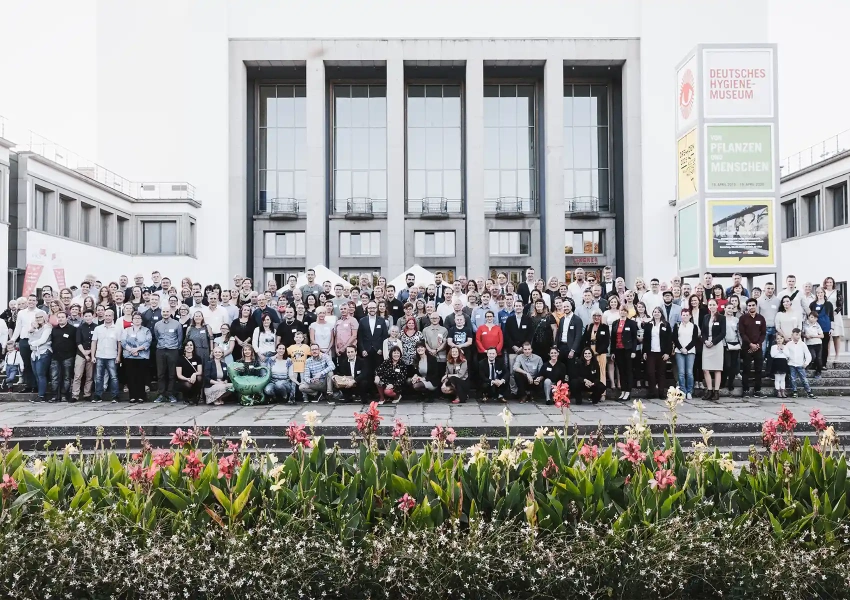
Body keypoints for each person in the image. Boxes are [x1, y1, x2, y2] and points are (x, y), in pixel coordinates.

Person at [90, 308, 122, 404]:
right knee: (99, 377)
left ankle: (115, 396)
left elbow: (119, 343)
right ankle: (98, 396)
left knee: (114, 377)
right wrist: (93, 356)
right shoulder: (98, 328)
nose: (107, 317)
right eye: (106, 315)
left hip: (112, 356)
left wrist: (118, 356)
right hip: (100, 355)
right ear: (103, 316)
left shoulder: (117, 329)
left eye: (109, 315)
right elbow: (94, 342)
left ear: (113, 317)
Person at [10, 295, 40, 393]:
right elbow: (18, 327)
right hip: (24, 340)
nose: (31, 302)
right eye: (30, 300)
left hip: (36, 340)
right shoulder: (21, 313)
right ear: (27, 301)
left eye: (33, 300)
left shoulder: (41, 312)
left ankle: (36, 386)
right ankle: (28, 385)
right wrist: (13, 339)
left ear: (36, 302)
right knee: (26, 364)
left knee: (35, 364)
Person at [120, 312, 151, 403]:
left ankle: (141, 396)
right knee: (131, 377)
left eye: (139, 318)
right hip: (129, 356)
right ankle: (132, 396)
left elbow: (148, 342)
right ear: (132, 320)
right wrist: (132, 350)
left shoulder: (146, 330)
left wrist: (137, 350)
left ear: (141, 320)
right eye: (135, 318)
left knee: (141, 377)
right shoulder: (127, 330)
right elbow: (123, 341)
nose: (137, 320)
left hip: (142, 356)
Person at [642, 306, 672, 400]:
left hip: (662, 353)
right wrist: (645, 352)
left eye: (658, 312)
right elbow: (646, 340)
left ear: (661, 313)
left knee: (661, 373)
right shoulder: (649, 324)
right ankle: (652, 392)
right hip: (651, 352)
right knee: (650, 372)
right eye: (655, 312)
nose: (656, 313)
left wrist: (668, 353)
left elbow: (669, 340)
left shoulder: (666, 325)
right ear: (652, 313)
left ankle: (661, 392)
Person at [153, 308, 183, 404]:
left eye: (167, 311)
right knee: (160, 374)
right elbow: (157, 336)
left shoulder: (176, 324)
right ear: (161, 313)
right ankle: (161, 394)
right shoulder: (157, 324)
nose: (165, 313)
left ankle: (170, 394)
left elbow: (180, 338)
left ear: (170, 313)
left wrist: (174, 347)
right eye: (164, 312)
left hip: (173, 350)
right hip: (161, 350)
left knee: (172, 373)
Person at [739, 298, 766, 399]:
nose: (751, 307)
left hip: (758, 347)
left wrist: (758, 344)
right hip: (747, 347)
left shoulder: (761, 318)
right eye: (749, 305)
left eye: (753, 305)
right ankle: (745, 390)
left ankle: (757, 390)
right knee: (746, 369)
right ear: (747, 307)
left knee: (758, 369)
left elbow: (763, 333)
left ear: (756, 306)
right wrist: (750, 344)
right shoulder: (743, 318)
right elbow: (742, 333)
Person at [609, 305, 638, 401]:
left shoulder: (632, 323)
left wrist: (634, 351)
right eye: (621, 310)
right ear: (619, 311)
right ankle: (623, 391)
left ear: (627, 312)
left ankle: (628, 391)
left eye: (625, 310)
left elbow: (634, 338)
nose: (623, 312)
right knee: (621, 371)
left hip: (628, 350)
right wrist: (612, 351)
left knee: (628, 371)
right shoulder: (615, 323)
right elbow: (613, 339)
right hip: (618, 350)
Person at [700, 299, 725, 401]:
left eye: (713, 304)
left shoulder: (722, 318)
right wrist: (705, 341)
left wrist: (713, 342)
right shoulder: (706, 317)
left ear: (717, 305)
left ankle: (716, 391)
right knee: (705, 369)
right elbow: (703, 332)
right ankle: (709, 390)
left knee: (717, 369)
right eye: (710, 305)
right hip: (706, 344)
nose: (712, 306)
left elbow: (723, 333)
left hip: (717, 344)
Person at [49, 311, 76, 403]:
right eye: (59, 317)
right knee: (54, 377)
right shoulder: (54, 329)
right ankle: (55, 396)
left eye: (62, 317)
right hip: (55, 356)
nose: (60, 319)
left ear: (66, 318)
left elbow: (75, 343)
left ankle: (64, 395)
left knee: (67, 377)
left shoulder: (72, 329)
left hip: (68, 356)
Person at [672, 308, 699, 400]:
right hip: (679, 351)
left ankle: (689, 391)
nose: (685, 316)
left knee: (689, 372)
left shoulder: (693, 326)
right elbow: (674, 338)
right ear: (681, 316)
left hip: (690, 351)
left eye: (687, 315)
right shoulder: (677, 325)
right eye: (683, 315)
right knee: (681, 372)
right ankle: (682, 391)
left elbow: (694, 339)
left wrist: (686, 348)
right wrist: (681, 348)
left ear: (690, 316)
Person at [28, 311, 52, 403]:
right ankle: (40, 394)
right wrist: (33, 329)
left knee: (41, 374)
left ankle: (41, 395)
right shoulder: (36, 328)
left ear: (44, 317)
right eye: (37, 317)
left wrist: (33, 343)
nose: (38, 319)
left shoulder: (47, 327)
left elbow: (42, 340)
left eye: (40, 317)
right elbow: (29, 339)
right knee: (36, 375)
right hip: (34, 353)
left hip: (44, 352)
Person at [809, 287, 833, 374]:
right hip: (815, 328)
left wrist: (832, 328)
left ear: (824, 293)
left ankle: (823, 364)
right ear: (816, 294)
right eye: (818, 293)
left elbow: (831, 317)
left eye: (821, 293)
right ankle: (815, 363)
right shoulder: (812, 304)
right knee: (815, 346)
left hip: (826, 327)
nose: (820, 294)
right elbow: (810, 316)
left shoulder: (829, 304)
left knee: (825, 346)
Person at [786, 328, 815, 399]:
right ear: (792, 335)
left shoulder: (802, 344)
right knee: (793, 379)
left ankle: (809, 391)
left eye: (799, 335)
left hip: (800, 364)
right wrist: (787, 361)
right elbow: (786, 353)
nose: (798, 336)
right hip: (792, 364)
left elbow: (807, 354)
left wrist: (806, 362)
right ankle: (794, 391)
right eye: (796, 335)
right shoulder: (789, 344)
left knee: (804, 379)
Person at [582, 309, 609, 385]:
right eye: (594, 316)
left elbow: (606, 342)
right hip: (590, 353)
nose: (596, 317)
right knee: (591, 370)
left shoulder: (605, 327)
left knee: (601, 371)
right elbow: (584, 339)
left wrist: (598, 352)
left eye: (598, 316)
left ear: (601, 317)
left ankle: (602, 392)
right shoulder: (589, 326)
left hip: (601, 352)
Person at [822, 277, 844, 365]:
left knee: (836, 335)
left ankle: (837, 355)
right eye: (827, 282)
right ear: (825, 283)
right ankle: (828, 355)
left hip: (836, 315)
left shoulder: (837, 292)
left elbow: (840, 304)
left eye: (831, 282)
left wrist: (834, 312)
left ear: (833, 283)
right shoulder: (823, 292)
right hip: (826, 316)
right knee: (827, 336)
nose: (829, 283)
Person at [175, 340, 203, 404]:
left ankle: (195, 396)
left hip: (194, 379)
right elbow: (179, 375)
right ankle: (186, 397)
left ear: (193, 347)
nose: (189, 347)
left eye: (191, 345)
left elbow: (200, 371)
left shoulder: (197, 358)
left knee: (199, 377)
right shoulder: (180, 359)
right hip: (184, 379)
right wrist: (187, 379)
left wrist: (194, 374)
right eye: (187, 345)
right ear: (184, 347)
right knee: (188, 384)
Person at [803, 312, 825, 378]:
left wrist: (814, 336)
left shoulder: (817, 325)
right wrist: (806, 336)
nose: (813, 319)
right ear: (808, 317)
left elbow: (822, 335)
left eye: (815, 318)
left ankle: (818, 372)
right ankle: (806, 367)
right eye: (811, 317)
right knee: (812, 356)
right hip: (809, 344)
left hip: (818, 343)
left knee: (819, 358)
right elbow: (802, 333)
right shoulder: (805, 324)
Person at [770, 333, 790, 398]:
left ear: (783, 339)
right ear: (775, 339)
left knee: (783, 378)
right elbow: (772, 355)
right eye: (777, 338)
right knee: (777, 378)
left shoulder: (786, 347)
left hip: (783, 362)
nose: (779, 340)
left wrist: (783, 349)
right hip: (776, 362)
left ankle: (783, 391)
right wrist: (778, 350)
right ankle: (778, 391)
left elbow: (788, 355)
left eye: (781, 338)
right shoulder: (773, 347)